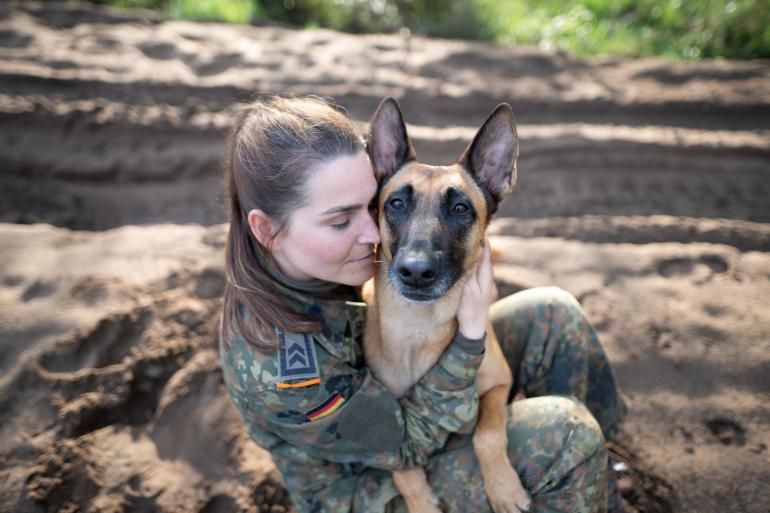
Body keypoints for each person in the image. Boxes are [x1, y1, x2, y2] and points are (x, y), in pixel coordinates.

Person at [218, 94, 628, 513]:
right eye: (341, 220)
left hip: (421, 405)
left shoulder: (332, 262)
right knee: (565, 433)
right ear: (267, 230)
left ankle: (595, 478)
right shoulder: (284, 369)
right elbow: (404, 446)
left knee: (553, 312)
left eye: (373, 206)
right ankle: (572, 465)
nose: (374, 235)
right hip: (372, 487)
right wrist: (470, 336)